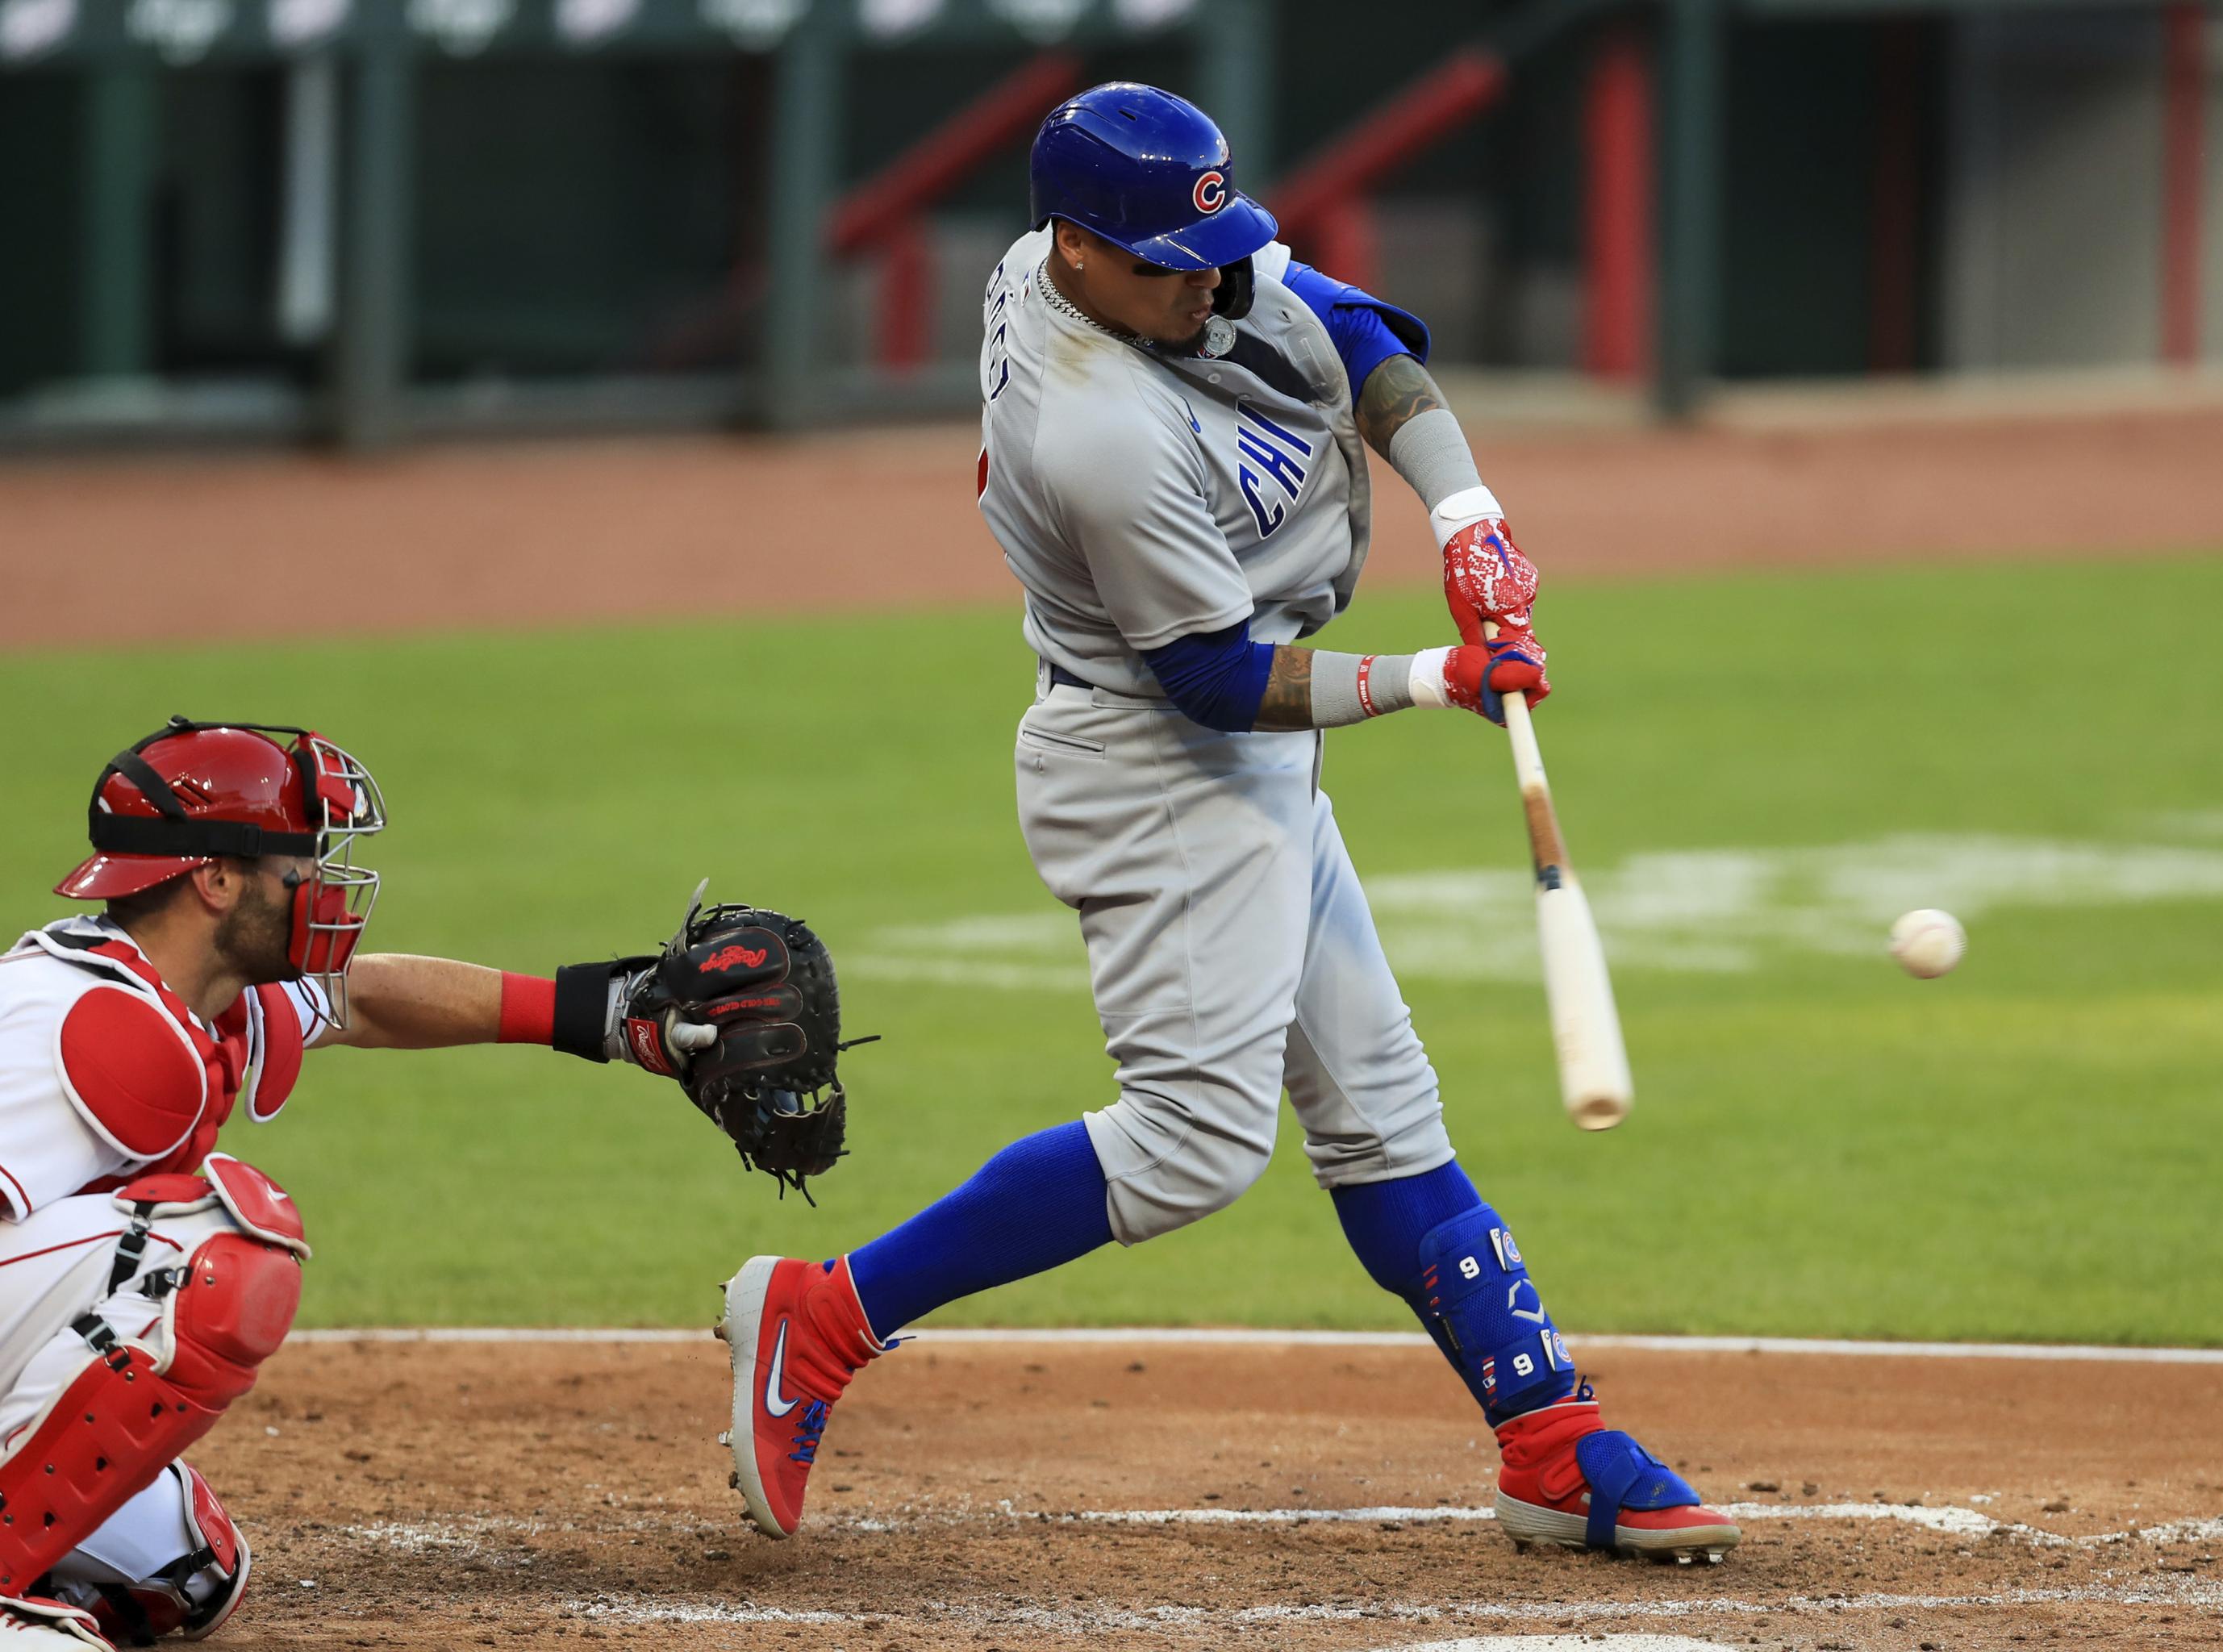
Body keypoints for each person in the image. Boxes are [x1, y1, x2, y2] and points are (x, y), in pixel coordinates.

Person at [719, 83, 1739, 1564]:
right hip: (1153, 760)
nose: (1209, 286)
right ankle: (820, 1317)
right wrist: (1434, 675)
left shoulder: (1158, 256)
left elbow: (1361, 335)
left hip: (1235, 740)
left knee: (1381, 1106)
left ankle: (1547, 1432)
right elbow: (1207, 680)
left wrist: (1467, 518)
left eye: (1215, 250)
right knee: (1195, 1144)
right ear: (1073, 251)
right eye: (1168, 267)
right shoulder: (1093, 427)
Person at [0, 717, 740, 1647]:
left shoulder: (193, 996)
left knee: (192, 1572)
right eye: (298, 862)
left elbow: (358, 997)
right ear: (216, 877)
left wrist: (606, 1014)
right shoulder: (88, 1026)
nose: (321, 883)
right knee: (213, 1253)